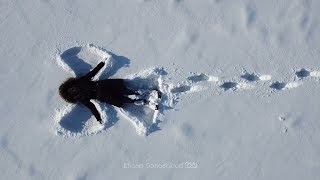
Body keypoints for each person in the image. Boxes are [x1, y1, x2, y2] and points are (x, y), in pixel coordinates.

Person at [59, 59, 150, 124]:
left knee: (123, 90)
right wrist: (98, 118)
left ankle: (137, 93)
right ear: (71, 96)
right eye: (71, 92)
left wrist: (101, 64)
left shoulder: (80, 81)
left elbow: (92, 73)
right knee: (121, 99)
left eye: (70, 89)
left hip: (104, 85)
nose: (73, 90)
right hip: (103, 96)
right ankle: (135, 101)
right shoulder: (81, 99)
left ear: (70, 86)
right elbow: (92, 107)